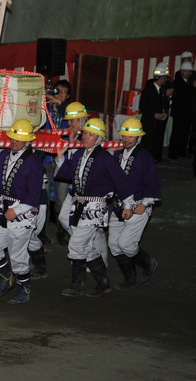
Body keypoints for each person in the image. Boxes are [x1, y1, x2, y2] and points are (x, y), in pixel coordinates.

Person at [54, 118, 135, 298]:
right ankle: (103, 282)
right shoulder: (78, 155)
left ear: (99, 139)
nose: (86, 137)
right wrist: (60, 156)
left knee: (76, 244)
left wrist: (128, 205)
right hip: (78, 204)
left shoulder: (106, 159)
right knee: (86, 245)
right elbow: (65, 173)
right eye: (85, 133)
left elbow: (122, 182)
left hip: (95, 206)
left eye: (91, 134)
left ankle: (77, 284)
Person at [0, 119, 43, 304]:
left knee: (17, 256)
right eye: (13, 138)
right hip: (3, 206)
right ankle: (6, 277)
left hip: (23, 210)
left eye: (19, 139)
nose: (14, 141)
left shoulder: (34, 164)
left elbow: (34, 195)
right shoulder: (4, 155)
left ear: (28, 140)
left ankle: (25, 287)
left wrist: (17, 210)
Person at [109, 118, 161, 290]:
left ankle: (148, 264)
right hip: (119, 205)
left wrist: (145, 204)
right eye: (124, 136)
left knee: (126, 245)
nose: (126, 139)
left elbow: (152, 183)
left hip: (138, 206)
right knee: (114, 246)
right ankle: (129, 280)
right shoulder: (116, 155)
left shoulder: (145, 157)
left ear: (138, 138)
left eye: (130, 137)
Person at [57, 102, 107, 261]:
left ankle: (95, 256)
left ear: (83, 119)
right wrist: (72, 142)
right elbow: (72, 166)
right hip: (75, 190)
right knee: (65, 219)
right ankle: (85, 247)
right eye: (69, 121)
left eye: (72, 120)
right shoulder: (78, 136)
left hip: (91, 193)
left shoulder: (93, 134)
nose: (69, 124)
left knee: (91, 228)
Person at [44, 80, 72, 245]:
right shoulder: (44, 108)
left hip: (63, 159)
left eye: (64, 92)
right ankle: (42, 232)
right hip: (47, 158)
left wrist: (61, 106)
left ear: (68, 96)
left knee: (61, 200)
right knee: (44, 199)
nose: (60, 94)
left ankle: (61, 232)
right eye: (58, 91)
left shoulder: (70, 111)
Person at [139, 62, 172, 162]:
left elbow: (165, 104)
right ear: (161, 78)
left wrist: (165, 113)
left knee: (158, 140)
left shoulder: (162, 90)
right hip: (149, 122)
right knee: (148, 143)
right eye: (165, 78)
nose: (166, 80)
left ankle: (156, 157)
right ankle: (147, 161)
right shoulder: (148, 90)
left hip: (159, 122)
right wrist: (154, 114)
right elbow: (142, 106)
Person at [168, 61, 195, 159]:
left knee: (185, 133)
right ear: (181, 72)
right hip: (179, 112)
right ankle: (173, 153)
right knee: (176, 132)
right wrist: (193, 87)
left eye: (189, 71)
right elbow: (185, 92)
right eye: (185, 71)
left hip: (187, 112)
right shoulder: (178, 81)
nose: (187, 73)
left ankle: (181, 151)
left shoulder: (190, 81)